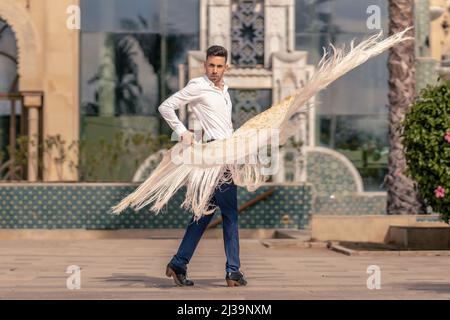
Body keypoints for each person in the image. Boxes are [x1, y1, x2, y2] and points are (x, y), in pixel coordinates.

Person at [158, 45, 247, 287]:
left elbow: (223, 127)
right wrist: (183, 132)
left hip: (225, 156)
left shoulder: (225, 91)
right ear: (205, 65)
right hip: (215, 159)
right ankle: (233, 271)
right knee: (230, 215)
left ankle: (178, 263)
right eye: (211, 65)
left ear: (226, 67)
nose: (215, 70)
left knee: (203, 215)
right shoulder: (198, 86)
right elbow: (165, 107)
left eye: (219, 66)